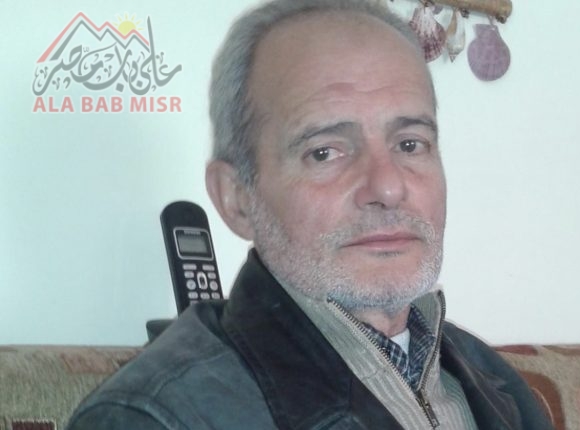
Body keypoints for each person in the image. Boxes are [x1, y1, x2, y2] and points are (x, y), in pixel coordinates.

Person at [67, 0, 553, 429]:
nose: (388, 187)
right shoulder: (153, 418)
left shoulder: (492, 379)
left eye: (410, 144)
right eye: (325, 152)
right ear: (236, 198)